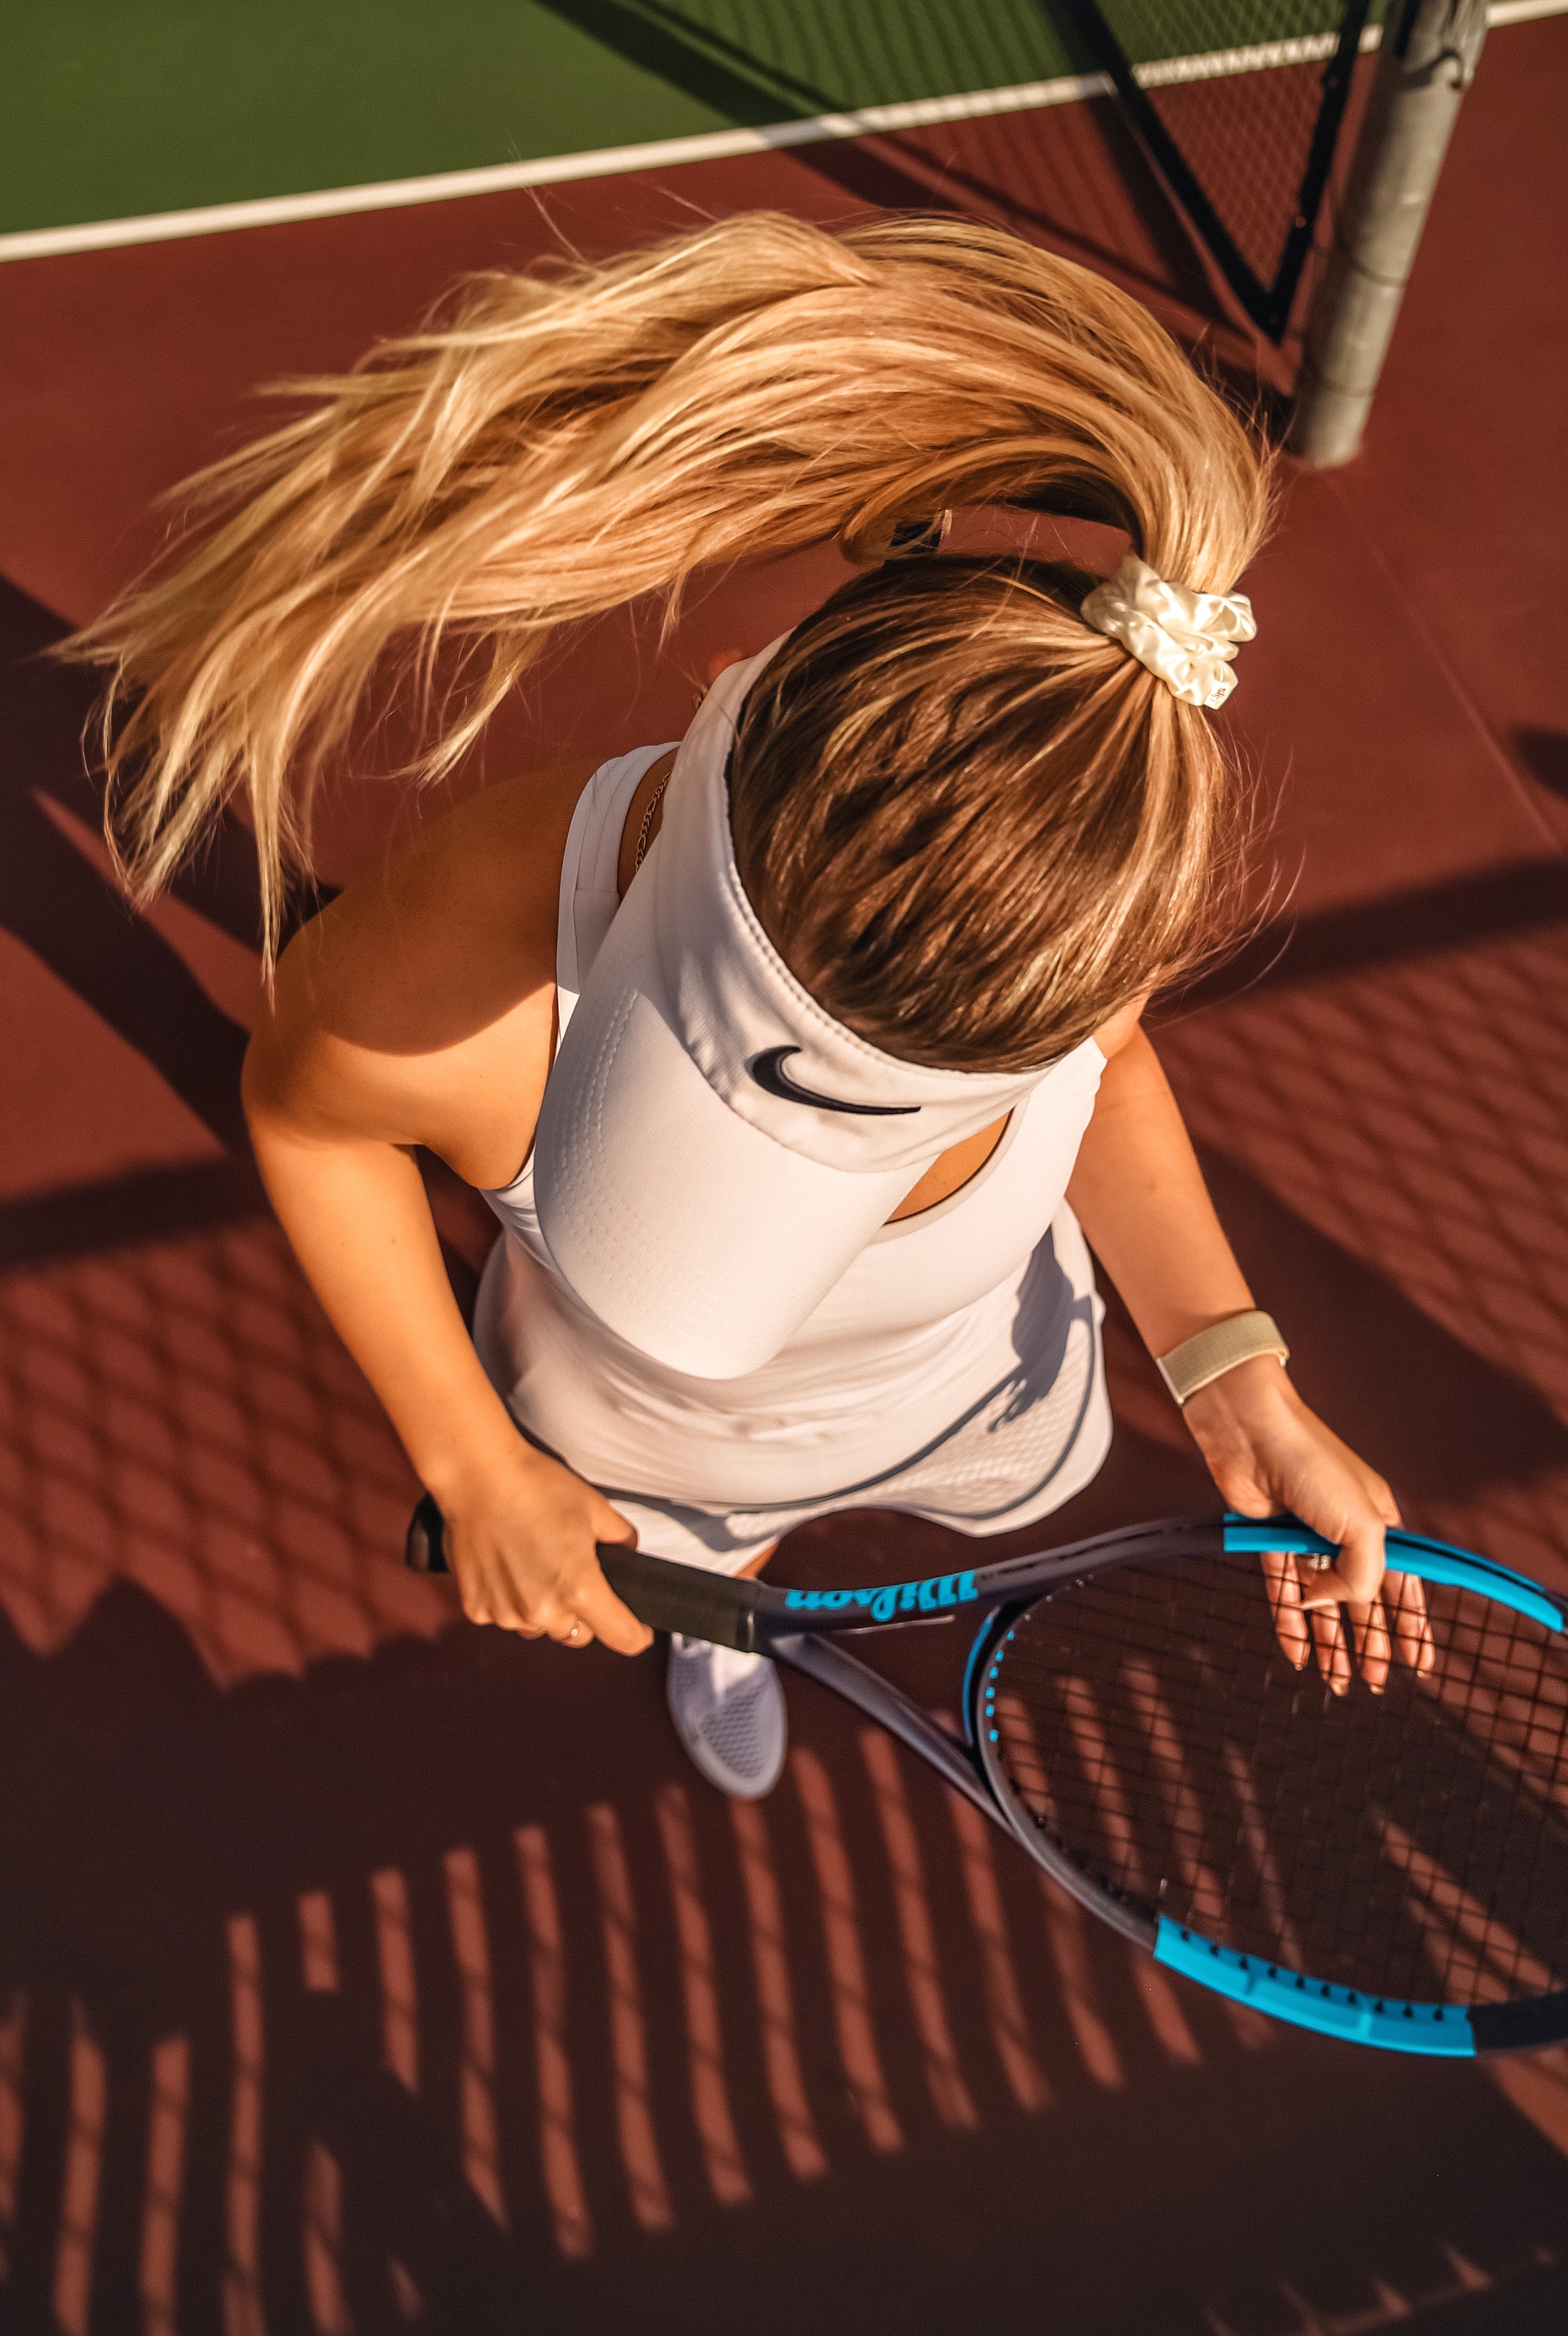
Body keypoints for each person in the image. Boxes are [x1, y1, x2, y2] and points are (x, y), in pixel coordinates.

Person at [73, 213, 1421, 1801]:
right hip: (648, 1450)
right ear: (732, 679)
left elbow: (1109, 1074)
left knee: (908, 1486)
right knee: (713, 1531)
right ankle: (731, 1595)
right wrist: (476, 1460)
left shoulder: (1050, 911)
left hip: (970, 1381)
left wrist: (1227, 1371)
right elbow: (309, 1120)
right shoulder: (455, 968)